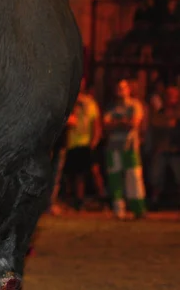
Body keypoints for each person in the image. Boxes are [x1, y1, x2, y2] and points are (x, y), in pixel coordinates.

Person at [103, 79, 147, 219]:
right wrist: (124, 122)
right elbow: (106, 124)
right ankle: (119, 210)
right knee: (115, 177)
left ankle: (138, 210)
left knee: (134, 177)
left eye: (123, 87)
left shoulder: (135, 105)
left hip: (130, 147)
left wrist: (117, 122)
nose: (120, 90)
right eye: (118, 87)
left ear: (129, 89)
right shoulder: (111, 107)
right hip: (113, 148)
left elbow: (134, 123)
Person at [63, 78, 105, 209]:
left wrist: (94, 141)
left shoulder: (90, 103)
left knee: (94, 171)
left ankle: (103, 198)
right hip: (72, 143)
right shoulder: (69, 102)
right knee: (77, 174)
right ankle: (79, 201)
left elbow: (96, 124)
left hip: (87, 143)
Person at [149, 86, 180, 210]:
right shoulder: (159, 112)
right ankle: (154, 202)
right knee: (156, 177)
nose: (170, 98)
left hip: (176, 151)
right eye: (168, 96)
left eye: (173, 96)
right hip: (161, 150)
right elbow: (157, 123)